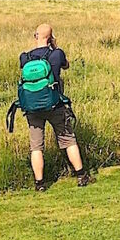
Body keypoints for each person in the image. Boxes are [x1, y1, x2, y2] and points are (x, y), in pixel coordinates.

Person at [21, 23, 92, 191]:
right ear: (51, 37)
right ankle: (81, 175)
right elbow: (65, 65)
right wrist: (55, 46)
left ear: (35, 36)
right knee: (68, 140)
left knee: (36, 147)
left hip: (32, 107)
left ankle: (40, 184)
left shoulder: (24, 57)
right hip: (55, 104)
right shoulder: (57, 54)